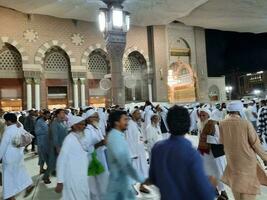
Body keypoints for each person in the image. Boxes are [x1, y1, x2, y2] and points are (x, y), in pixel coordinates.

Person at [148, 105, 215, 200]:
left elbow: (153, 178)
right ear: (188, 125)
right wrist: (211, 185)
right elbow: (205, 194)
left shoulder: (158, 148)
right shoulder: (192, 154)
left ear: (168, 123)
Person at [219, 101, 267, 200]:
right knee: (248, 187)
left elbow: (222, 141)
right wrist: (265, 158)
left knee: (236, 184)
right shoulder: (245, 123)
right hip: (247, 160)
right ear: (239, 111)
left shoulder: (222, 123)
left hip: (232, 159)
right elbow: (255, 144)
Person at [105, 110, 146, 200]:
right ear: (116, 122)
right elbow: (124, 163)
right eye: (124, 120)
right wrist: (142, 179)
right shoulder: (115, 138)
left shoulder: (119, 135)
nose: (127, 122)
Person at [55, 116, 90, 200]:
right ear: (74, 126)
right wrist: (60, 181)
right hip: (73, 177)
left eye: (84, 124)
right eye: (81, 124)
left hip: (83, 176)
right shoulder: (69, 140)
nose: (83, 126)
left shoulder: (82, 137)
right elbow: (61, 161)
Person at [0, 113, 34, 200]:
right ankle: (28, 185)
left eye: (6, 121)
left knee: (8, 177)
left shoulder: (8, 131)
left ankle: (10, 196)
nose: (5, 122)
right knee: (19, 172)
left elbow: (3, 146)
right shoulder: (19, 128)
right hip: (18, 156)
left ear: (9, 121)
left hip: (9, 158)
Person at [197, 107, 228, 199]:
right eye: (200, 115)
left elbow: (220, 139)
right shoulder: (199, 124)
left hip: (215, 152)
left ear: (208, 115)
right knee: (208, 171)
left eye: (203, 115)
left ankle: (223, 192)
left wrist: (208, 139)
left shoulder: (213, 124)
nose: (202, 117)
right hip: (206, 153)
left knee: (218, 172)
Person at [83, 109, 109, 200]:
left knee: (102, 182)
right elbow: (86, 148)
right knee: (94, 185)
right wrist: (100, 143)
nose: (98, 119)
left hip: (101, 158)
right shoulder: (87, 131)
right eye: (95, 117)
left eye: (97, 117)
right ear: (89, 119)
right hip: (93, 161)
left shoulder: (96, 128)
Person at [125, 108, 149, 193]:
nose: (140, 115)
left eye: (140, 113)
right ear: (133, 114)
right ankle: (130, 188)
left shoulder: (137, 124)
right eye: (138, 113)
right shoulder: (130, 124)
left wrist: (144, 141)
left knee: (143, 169)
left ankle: (142, 186)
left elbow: (139, 136)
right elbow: (129, 139)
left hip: (140, 150)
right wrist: (132, 153)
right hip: (134, 152)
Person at [35, 110, 51, 183]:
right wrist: (47, 131)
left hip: (46, 141)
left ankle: (41, 169)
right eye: (47, 115)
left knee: (42, 157)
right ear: (43, 115)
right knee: (44, 157)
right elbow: (37, 132)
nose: (48, 116)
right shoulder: (39, 121)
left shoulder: (45, 121)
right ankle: (46, 175)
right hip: (42, 142)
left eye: (49, 115)